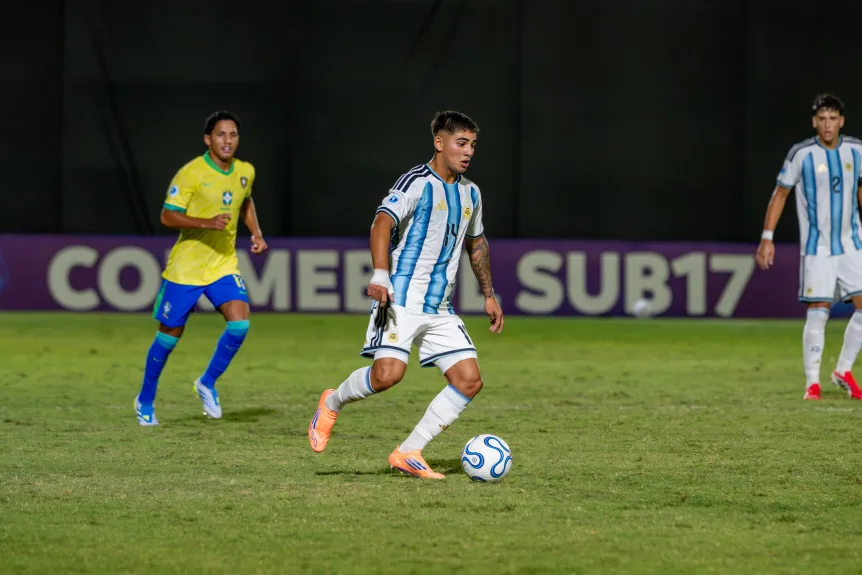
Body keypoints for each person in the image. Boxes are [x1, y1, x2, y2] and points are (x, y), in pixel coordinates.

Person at [307, 110, 504, 478]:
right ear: (439, 142)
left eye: (473, 145)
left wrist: (488, 294)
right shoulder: (417, 181)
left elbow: (476, 243)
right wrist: (381, 275)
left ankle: (409, 451)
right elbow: (382, 222)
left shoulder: (470, 193)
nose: (468, 152)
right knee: (387, 376)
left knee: (469, 380)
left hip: (440, 306)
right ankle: (331, 402)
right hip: (401, 298)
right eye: (461, 143)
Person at [134, 110, 268, 425]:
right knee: (170, 335)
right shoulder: (191, 173)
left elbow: (245, 200)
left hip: (222, 263)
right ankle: (145, 399)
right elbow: (168, 216)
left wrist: (257, 232)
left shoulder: (245, 171)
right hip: (187, 268)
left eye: (233, 134)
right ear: (208, 139)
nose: (228, 140)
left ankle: (206, 382)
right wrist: (205, 222)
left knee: (240, 325)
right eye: (221, 134)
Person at [756, 93, 862, 400]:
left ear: (841, 121)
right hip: (818, 248)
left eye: (832, 119)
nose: (827, 125)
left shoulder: (856, 150)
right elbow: (780, 194)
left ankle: (843, 370)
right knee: (818, 312)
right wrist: (767, 236)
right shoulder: (801, 154)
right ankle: (812, 383)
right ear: (814, 122)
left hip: (852, 243)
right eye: (822, 119)